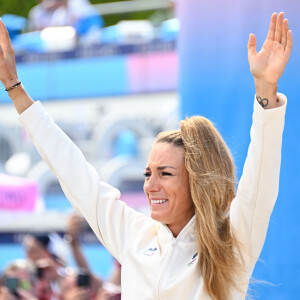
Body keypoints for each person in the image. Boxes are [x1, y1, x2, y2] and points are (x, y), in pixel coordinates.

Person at [0, 11, 293, 300]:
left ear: (197, 182)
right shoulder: (135, 234)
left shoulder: (232, 241)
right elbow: (73, 172)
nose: (151, 186)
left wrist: (266, 91)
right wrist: (15, 90)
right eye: (148, 173)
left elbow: (260, 182)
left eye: (165, 173)